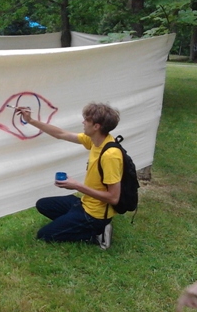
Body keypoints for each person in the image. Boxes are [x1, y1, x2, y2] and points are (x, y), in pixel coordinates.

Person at [18, 103, 123, 249]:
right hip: (85, 203)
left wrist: (77, 186)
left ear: (96, 126)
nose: (83, 122)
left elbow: (113, 198)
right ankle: (75, 222)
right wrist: (30, 120)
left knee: (44, 235)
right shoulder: (95, 140)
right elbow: (60, 134)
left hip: (95, 215)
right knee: (43, 204)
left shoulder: (110, 156)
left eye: (87, 120)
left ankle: (97, 233)